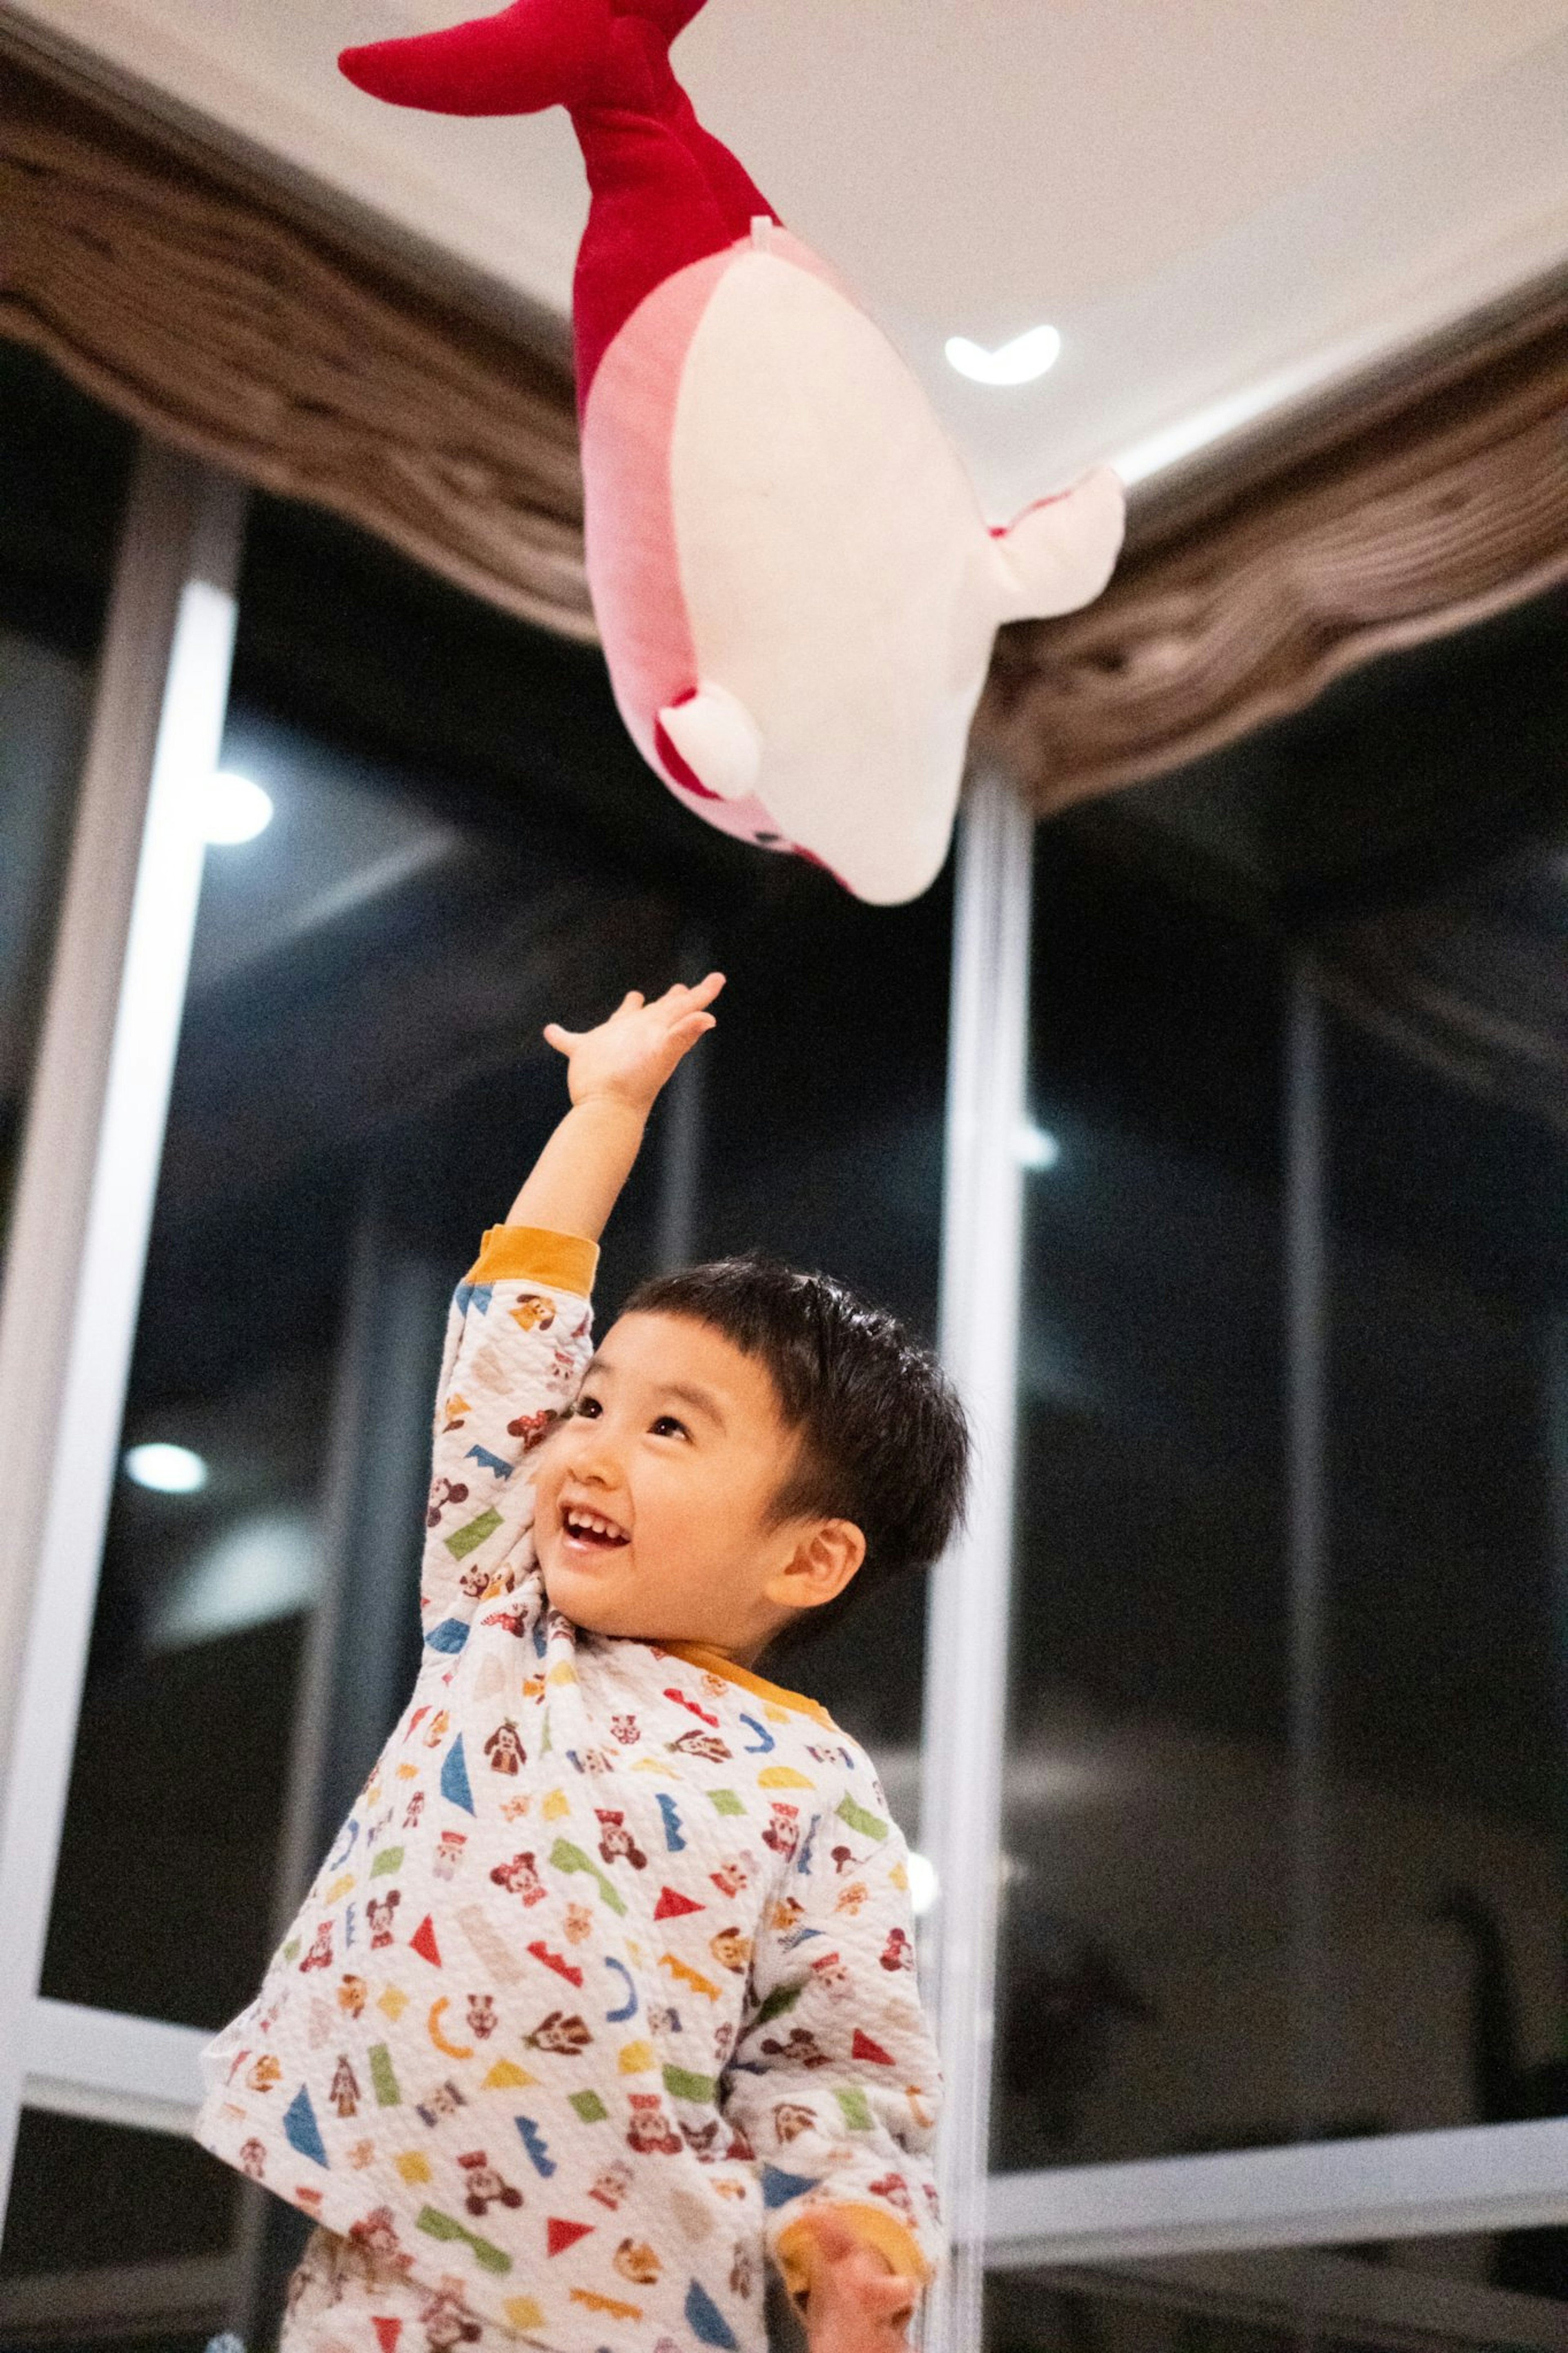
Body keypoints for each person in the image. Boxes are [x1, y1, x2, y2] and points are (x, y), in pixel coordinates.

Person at [194, 974, 968, 2353]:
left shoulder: (813, 1781)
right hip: (379, 2256)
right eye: (597, 1401)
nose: (592, 1443)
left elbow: (839, 2055)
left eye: (672, 1430)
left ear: (809, 1559)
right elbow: (513, 1331)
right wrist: (608, 1109)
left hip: (632, 2299)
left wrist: (857, 2242)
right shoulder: (506, 1608)